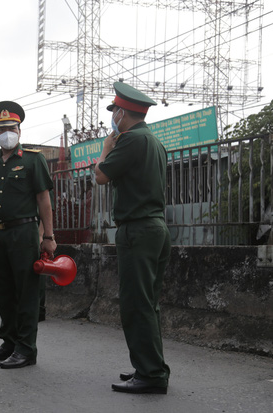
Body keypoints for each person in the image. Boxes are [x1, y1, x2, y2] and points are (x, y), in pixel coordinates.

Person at [94, 81, 171, 394]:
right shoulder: (154, 141)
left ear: (122, 112)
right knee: (147, 304)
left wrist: (104, 150)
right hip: (156, 228)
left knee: (136, 305)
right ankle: (149, 367)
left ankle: (151, 375)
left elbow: (100, 176)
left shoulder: (130, 140)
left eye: (114, 112)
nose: (113, 118)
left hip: (138, 230)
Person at [0, 101, 56, 369]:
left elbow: (44, 199)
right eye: (2, 128)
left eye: (12, 127)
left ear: (19, 130)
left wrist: (48, 236)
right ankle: (9, 342)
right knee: (4, 291)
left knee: (27, 292)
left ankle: (26, 348)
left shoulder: (33, 159)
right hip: (0, 235)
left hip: (25, 233)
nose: (7, 132)